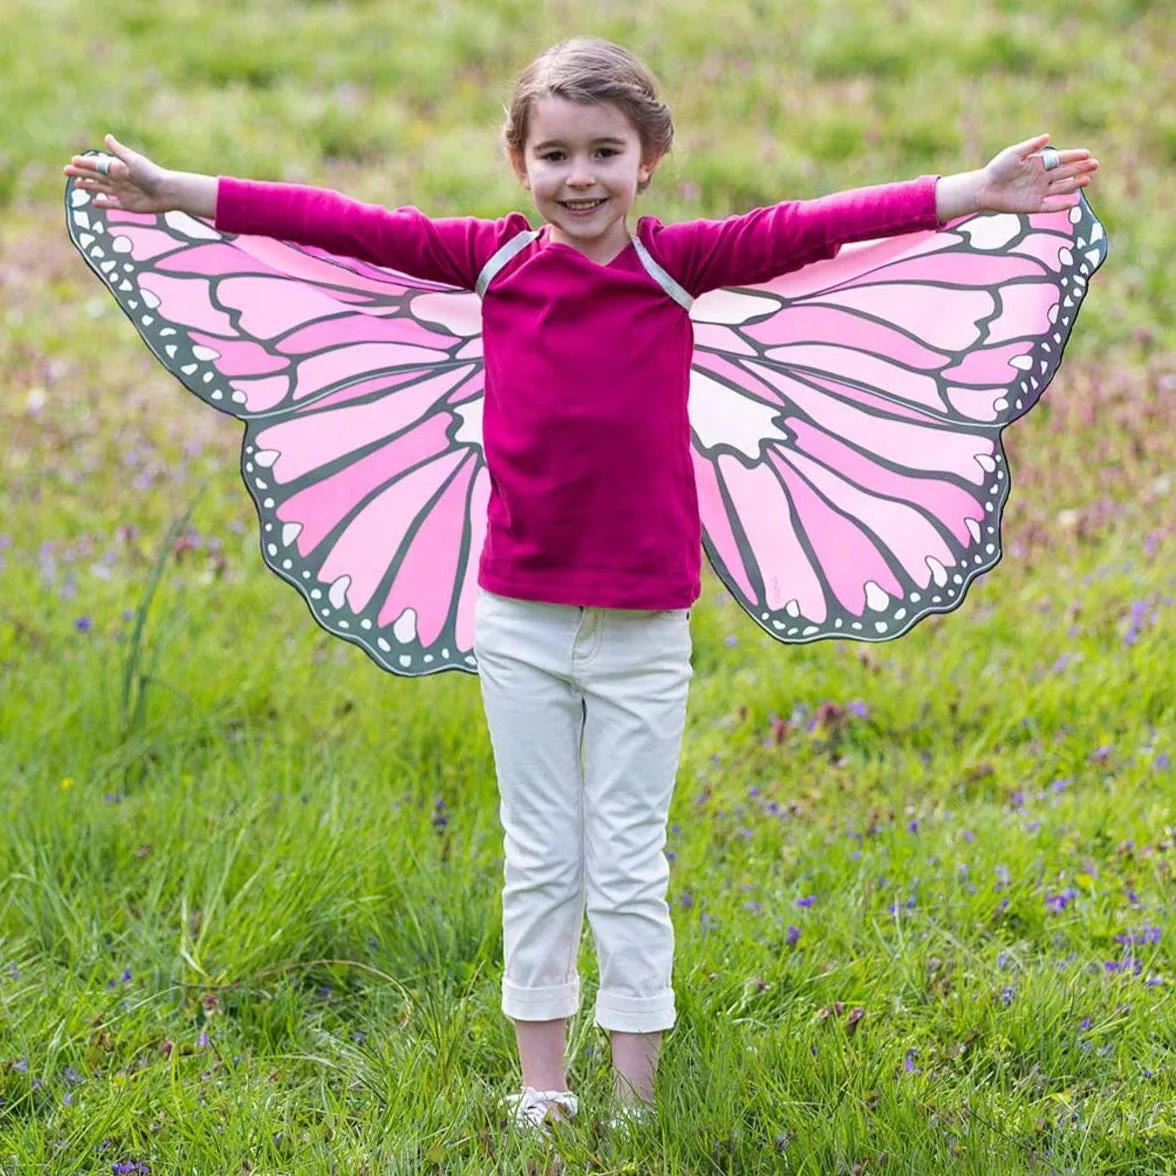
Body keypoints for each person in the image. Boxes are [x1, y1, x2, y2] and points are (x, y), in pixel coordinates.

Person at [65, 35, 1098, 1135]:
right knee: (542, 854)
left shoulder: (675, 268)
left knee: (630, 860)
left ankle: (642, 1100)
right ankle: (544, 1087)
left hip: (646, 629)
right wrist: (174, 191)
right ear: (519, 163)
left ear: (648, 158)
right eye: (555, 154)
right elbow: (334, 220)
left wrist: (971, 194)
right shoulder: (491, 264)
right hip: (516, 618)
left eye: (605, 151)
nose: (581, 178)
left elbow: (813, 224)